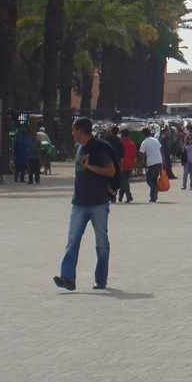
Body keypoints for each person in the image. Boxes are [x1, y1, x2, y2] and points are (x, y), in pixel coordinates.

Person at [54, 117, 115, 291]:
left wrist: (90, 167)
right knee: (72, 240)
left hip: (98, 203)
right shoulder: (79, 148)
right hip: (79, 203)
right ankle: (67, 278)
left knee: (101, 242)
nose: (72, 133)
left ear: (80, 131)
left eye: (73, 130)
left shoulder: (98, 148)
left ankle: (101, 279)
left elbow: (111, 171)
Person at [140, 128, 164, 202]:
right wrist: (163, 162)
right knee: (154, 180)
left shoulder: (144, 143)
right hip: (159, 162)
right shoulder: (156, 140)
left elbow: (141, 155)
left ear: (143, 134)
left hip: (152, 163)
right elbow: (161, 151)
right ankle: (153, 197)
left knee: (149, 180)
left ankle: (154, 189)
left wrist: (139, 166)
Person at [117, 127, 136, 202]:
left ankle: (129, 196)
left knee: (124, 182)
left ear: (122, 135)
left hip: (122, 165)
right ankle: (120, 197)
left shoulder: (120, 143)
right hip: (130, 165)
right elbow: (134, 155)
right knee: (124, 182)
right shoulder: (132, 144)